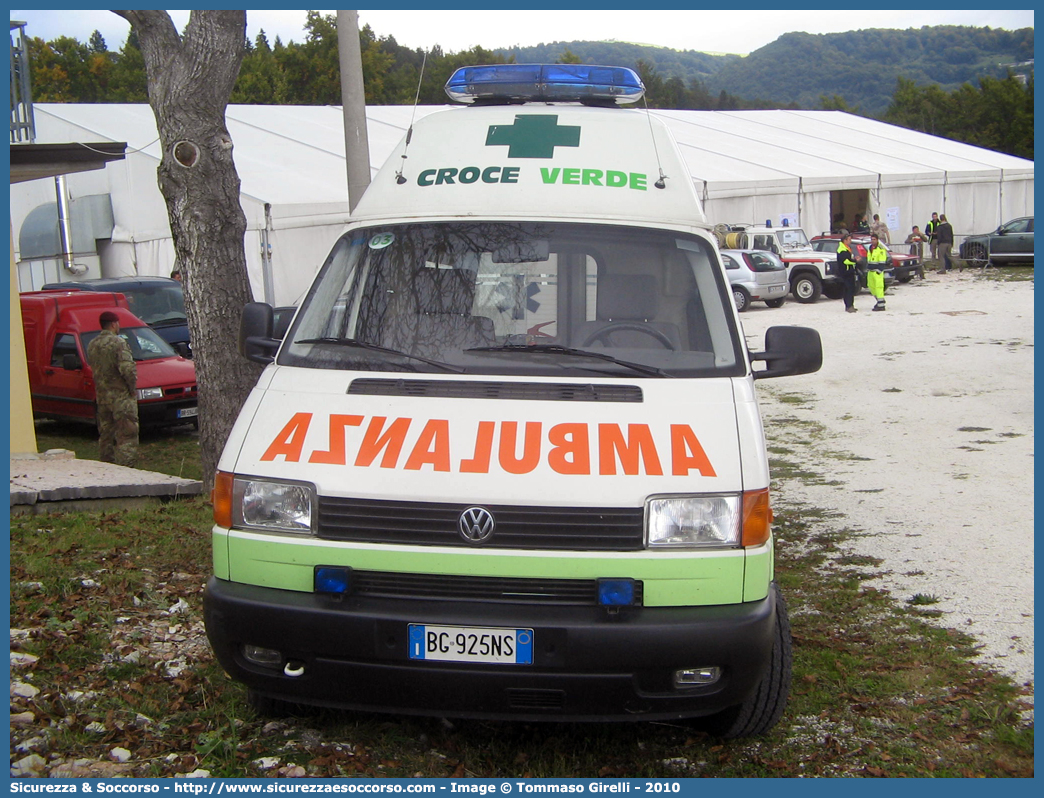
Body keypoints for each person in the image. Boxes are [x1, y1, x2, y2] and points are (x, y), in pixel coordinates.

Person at [86, 311, 139, 467]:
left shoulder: (93, 344)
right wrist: (132, 388)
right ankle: (127, 469)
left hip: (102, 397)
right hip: (121, 397)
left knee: (106, 435)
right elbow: (127, 369)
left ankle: (107, 467)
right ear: (114, 324)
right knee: (127, 435)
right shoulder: (119, 343)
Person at [865, 233, 889, 311]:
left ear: (877, 240)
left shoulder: (880, 249)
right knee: (871, 287)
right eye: (871, 239)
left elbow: (882, 260)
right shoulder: (870, 248)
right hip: (871, 271)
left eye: (874, 239)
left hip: (877, 271)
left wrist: (879, 270)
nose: (872, 241)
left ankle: (881, 305)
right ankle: (880, 300)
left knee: (879, 288)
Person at [836, 233, 860, 313]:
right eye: (849, 239)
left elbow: (849, 259)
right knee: (848, 289)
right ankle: (849, 306)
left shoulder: (846, 248)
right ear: (844, 240)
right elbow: (846, 261)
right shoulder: (842, 249)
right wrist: (855, 261)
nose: (850, 241)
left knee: (851, 289)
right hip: (846, 272)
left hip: (849, 271)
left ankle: (851, 305)